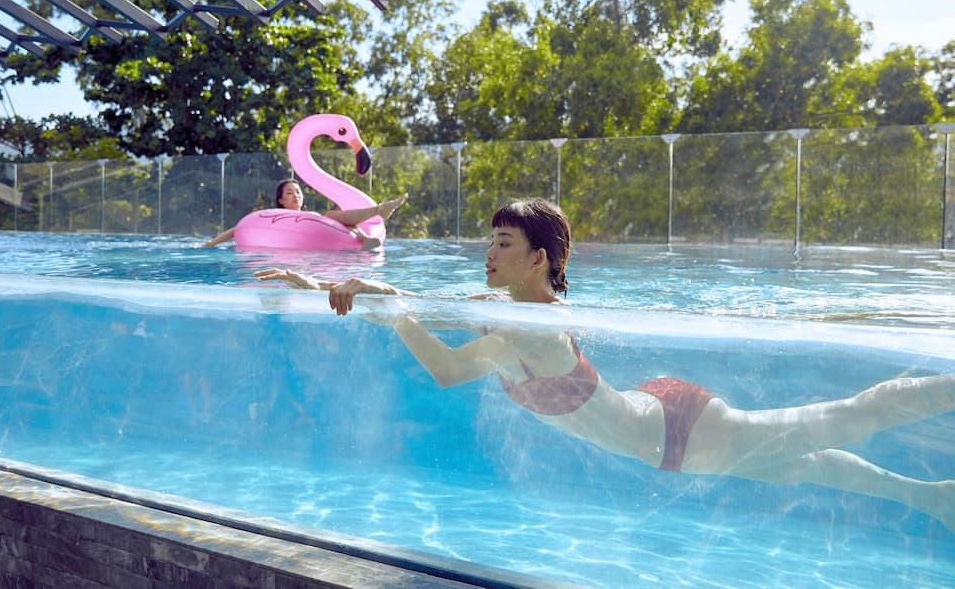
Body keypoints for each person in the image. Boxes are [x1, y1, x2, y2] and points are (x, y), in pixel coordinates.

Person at [256, 198, 955, 532]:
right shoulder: (502, 311)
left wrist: (387, 305)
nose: (489, 253)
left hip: (682, 431)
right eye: (489, 240)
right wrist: (316, 285)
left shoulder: (528, 325)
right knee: (804, 463)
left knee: (844, 419)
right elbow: (426, 319)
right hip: (663, 430)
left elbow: (441, 357)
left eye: (504, 242)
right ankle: (932, 496)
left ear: (539, 259)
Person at [201, 179, 408, 250]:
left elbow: (339, 229)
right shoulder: (271, 218)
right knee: (332, 215)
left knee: (332, 216)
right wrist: (211, 244)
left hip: (326, 244)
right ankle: (379, 211)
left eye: (298, 192)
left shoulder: (313, 216)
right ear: (280, 200)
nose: (296, 196)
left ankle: (369, 229)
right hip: (291, 254)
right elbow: (239, 229)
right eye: (290, 193)